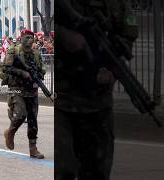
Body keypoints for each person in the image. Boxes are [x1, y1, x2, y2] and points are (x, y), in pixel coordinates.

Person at [56, 0, 138, 179]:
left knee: (97, 173)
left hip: (98, 105)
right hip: (62, 104)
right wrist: (63, 35)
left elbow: (125, 40)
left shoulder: (117, 4)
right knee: (63, 171)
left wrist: (112, 73)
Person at [0, 29, 46, 159]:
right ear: (21, 38)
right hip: (16, 88)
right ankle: (10, 132)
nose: (30, 40)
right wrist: (23, 73)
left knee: (32, 119)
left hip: (32, 90)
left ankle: (33, 148)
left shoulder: (36, 53)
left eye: (32, 38)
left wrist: (38, 76)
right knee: (21, 114)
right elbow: (7, 67)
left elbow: (42, 68)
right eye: (27, 37)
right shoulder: (13, 51)